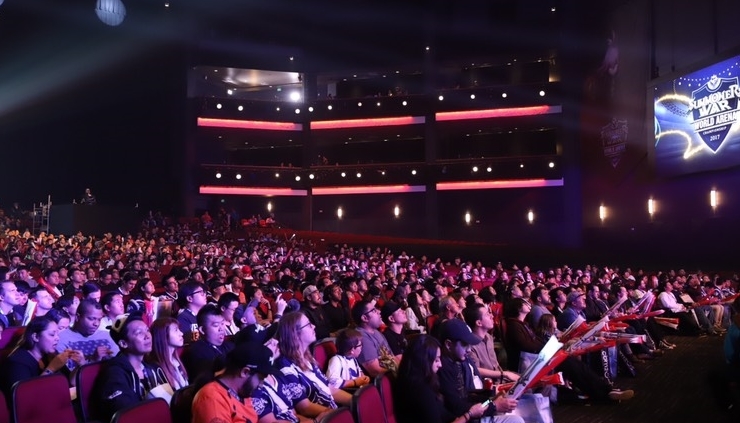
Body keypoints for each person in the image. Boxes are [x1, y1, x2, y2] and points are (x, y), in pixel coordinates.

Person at [436, 319, 522, 423]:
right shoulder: (442, 367)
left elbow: (466, 396)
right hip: (464, 418)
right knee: (516, 420)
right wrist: (494, 406)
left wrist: (492, 398)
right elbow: (457, 408)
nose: (468, 350)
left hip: (471, 413)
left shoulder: (456, 361)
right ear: (449, 345)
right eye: (464, 344)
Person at [393, 334, 492, 423]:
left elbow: (447, 416)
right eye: (436, 360)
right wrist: (469, 414)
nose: (440, 364)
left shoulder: (424, 382)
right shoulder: (420, 391)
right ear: (423, 362)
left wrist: (490, 401)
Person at [274, 311, 351, 419]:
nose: (314, 326)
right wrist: (339, 415)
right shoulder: (285, 366)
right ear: (295, 333)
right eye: (309, 325)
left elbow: (330, 389)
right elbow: (304, 407)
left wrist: (355, 402)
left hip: (333, 413)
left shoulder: (308, 358)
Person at [94, 313, 167, 422]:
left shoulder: (153, 368)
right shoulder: (114, 374)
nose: (147, 335)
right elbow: (129, 415)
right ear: (123, 343)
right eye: (139, 333)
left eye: (147, 330)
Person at [0, 316, 84, 404]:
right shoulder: (17, 362)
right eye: (52, 334)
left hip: (54, 403)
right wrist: (51, 369)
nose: (57, 338)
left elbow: (71, 384)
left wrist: (80, 365)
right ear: (36, 337)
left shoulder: (50, 355)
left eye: (57, 334)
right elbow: (25, 400)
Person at [192, 342, 275, 423]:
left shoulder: (242, 392)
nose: (261, 385)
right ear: (245, 372)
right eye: (260, 378)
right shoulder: (212, 399)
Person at [181, 304, 235, 384]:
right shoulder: (196, 352)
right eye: (216, 325)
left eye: (222, 324)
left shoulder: (230, 346)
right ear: (202, 330)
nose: (221, 329)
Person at [56, 299, 119, 366]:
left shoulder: (107, 336)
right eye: (91, 319)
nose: (96, 324)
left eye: (99, 319)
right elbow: (67, 373)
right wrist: (93, 360)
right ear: (78, 317)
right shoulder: (61, 338)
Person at [351, 300, 397, 377]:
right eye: (374, 310)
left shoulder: (376, 332)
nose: (379, 312)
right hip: (386, 380)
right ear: (365, 318)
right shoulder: (362, 337)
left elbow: (392, 357)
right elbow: (375, 371)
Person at [147, 317, 189, 390]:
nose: (181, 333)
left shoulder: (176, 362)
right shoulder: (155, 369)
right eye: (176, 330)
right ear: (163, 335)